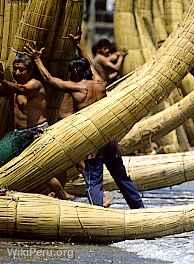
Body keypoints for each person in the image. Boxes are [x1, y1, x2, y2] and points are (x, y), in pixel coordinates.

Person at [25, 42, 144, 209]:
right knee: (121, 177)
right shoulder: (100, 83)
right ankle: (139, 208)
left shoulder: (78, 88)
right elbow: (91, 63)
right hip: (109, 138)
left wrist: (37, 59)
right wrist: (79, 46)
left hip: (93, 141)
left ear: (74, 72)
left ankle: (96, 212)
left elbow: (49, 79)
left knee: (93, 180)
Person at [0, 54, 73, 200]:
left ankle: (62, 195)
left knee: (40, 167)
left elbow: (22, 89)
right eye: (15, 69)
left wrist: (2, 79)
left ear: (30, 71)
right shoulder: (13, 86)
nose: (17, 73)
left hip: (35, 132)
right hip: (19, 134)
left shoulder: (34, 84)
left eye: (22, 70)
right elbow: (4, 91)